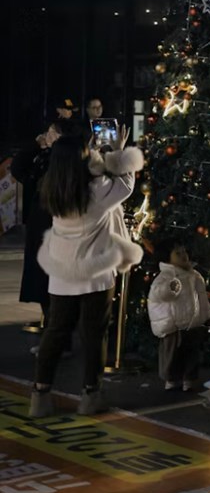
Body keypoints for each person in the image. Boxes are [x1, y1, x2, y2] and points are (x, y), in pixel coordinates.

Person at [29, 129, 144, 418]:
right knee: (94, 334)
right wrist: (116, 151)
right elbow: (126, 184)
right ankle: (90, 396)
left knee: (55, 331)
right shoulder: (97, 190)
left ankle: (40, 395)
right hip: (95, 273)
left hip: (62, 273)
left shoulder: (52, 189)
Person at [10, 119, 73, 353]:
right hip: (38, 229)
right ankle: (53, 340)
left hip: (56, 232)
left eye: (53, 133)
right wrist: (36, 146)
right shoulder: (43, 158)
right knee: (43, 288)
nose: (48, 136)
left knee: (54, 288)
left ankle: (58, 343)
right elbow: (18, 169)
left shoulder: (67, 163)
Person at [148, 238, 210, 392]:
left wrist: (207, 314)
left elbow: (202, 297)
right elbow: (158, 295)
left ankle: (188, 378)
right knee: (172, 354)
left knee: (192, 353)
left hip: (192, 322)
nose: (183, 255)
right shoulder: (165, 277)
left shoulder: (195, 275)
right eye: (178, 253)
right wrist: (171, 288)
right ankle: (172, 379)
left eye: (184, 252)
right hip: (173, 325)